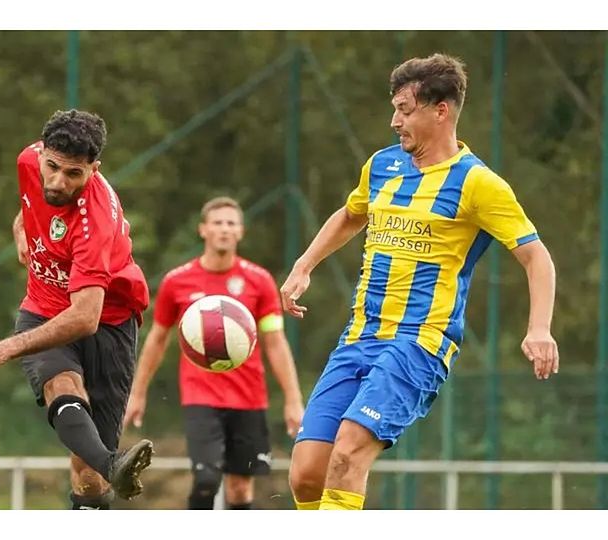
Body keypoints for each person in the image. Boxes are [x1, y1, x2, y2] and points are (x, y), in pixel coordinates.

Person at [280, 53, 559, 510]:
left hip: (419, 342)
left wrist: (539, 327)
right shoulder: (382, 166)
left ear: (441, 110)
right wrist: (303, 266)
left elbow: (536, 257)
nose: (394, 121)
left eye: (405, 110)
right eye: (395, 109)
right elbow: (351, 215)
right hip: (361, 335)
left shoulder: (479, 184)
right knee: (307, 473)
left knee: (348, 453)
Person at [0, 109, 154, 509]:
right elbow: (32, 200)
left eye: (74, 175)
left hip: (109, 323)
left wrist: (4, 348)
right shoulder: (29, 160)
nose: (58, 182)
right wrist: (21, 228)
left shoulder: (95, 222)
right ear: (42, 152)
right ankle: (113, 463)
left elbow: (85, 317)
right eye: (53, 167)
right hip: (43, 308)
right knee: (62, 387)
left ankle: (105, 470)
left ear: (94, 169)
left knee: (86, 470)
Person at [123, 196, 306, 510]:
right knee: (206, 480)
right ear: (203, 230)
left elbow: (275, 342)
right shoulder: (177, 282)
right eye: (218, 223)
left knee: (239, 487)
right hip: (200, 397)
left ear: (241, 232)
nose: (224, 229)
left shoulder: (259, 281)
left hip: (249, 397)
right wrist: (137, 393)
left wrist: (292, 399)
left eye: (231, 223)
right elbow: (157, 339)